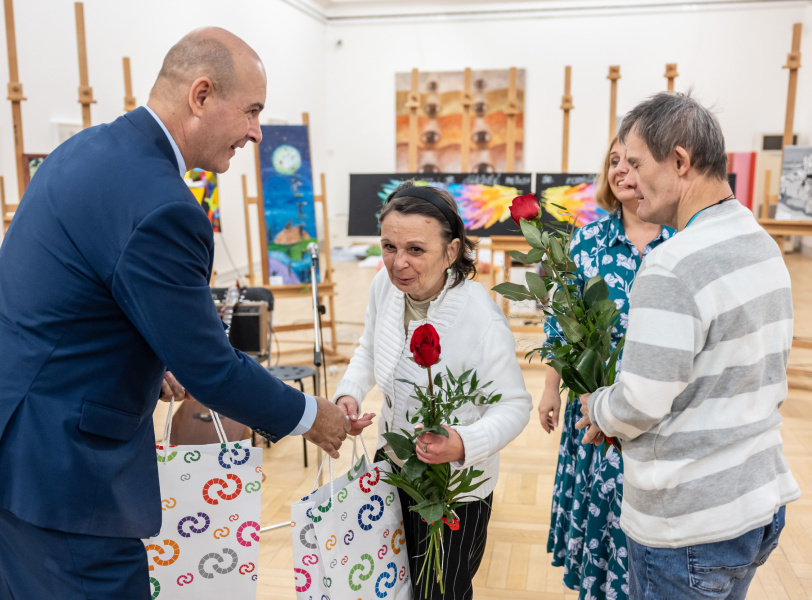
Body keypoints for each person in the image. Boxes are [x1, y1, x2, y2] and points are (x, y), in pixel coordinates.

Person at [0, 27, 349, 599]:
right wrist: (311, 416)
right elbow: (212, 370)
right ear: (201, 95)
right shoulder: (164, 207)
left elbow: (78, 293)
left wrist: (150, 357)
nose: (256, 131)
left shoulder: (87, 148)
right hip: (52, 467)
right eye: (251, 111)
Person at [577, 91, 801, 600]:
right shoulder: (759, 241)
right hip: (754, 503)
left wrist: (597, 407)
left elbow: (639, 403)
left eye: (636, 163)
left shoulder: (673, 263)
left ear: (680, 161)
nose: (627, 177)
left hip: (687, 525)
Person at [334, 182, 533, 599]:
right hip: (393, 468)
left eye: (416, 249)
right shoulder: (384, 287)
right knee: (389, 582)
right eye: (389, 246)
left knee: (440, 591)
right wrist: (349, 393)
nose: (398, 263)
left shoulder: (481, 318)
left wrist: (463, 443)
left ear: (452, 250)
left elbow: (514, 405)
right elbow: (370, 347)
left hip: (454, 488)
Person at [540, 138, 674, 598]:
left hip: (659, 411)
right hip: (593, 407)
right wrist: (550, 390)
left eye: (632, 161)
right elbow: (563, 324)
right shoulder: (587, 241)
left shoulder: (681, 241)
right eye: (613, 161)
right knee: (601, 513)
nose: (620, 169)